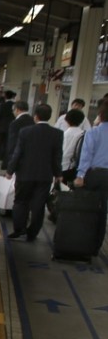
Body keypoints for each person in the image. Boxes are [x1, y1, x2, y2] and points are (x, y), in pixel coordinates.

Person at [6, 104, 63, 241]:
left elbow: (17, 153)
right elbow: (57, 156)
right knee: (39, 205)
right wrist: (58, 174)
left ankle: (19, 229)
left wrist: (10, 170)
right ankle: (33, 233)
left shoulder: (25, 131)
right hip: (45, 175)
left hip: (25, 174)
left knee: (20, 201)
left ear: (35, 116)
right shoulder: (57, 133)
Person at [74, 101, 108, 250]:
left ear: (100, 115)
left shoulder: (94, 132)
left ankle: (82, 242)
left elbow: (86, 155)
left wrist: (80, 175)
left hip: (93, 174)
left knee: (85, 207)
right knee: (102, 210)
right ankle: (96, 246)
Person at [5, 100, 34, 168]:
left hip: (17, 156)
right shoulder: (33, 121)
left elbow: (12, 143)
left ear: (17, 110)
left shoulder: (15, 123)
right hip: (30, 155)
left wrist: (10, 160)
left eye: (13, 110)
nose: (13, 112)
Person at [61, 108, 85, 183]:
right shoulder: (83, 134)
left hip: (63, 167)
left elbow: (62, 152)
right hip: (76, 168)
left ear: (66, 119)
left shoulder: (64, 134)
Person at [0, 90, 16, 165]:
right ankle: (5, 161)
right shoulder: (15, 105)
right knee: (8, 144)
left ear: (5, 96)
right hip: (11, 127)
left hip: (1, 127)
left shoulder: (2, 105)